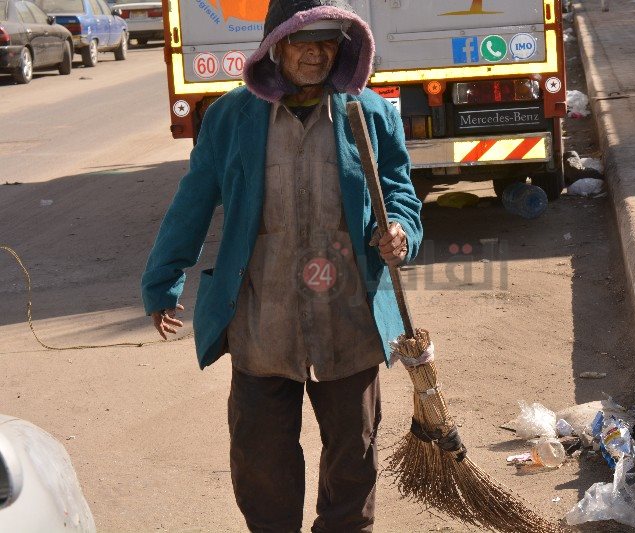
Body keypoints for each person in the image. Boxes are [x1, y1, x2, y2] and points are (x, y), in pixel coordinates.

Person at [140, 0, 423, 530]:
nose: (316, 53)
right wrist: (162, 282)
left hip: (348, 323)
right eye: (302, 41)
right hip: (262, 324)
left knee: (353, 458)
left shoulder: (370, 113)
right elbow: (192, 204)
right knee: (260, 463)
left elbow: (400, 190)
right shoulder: (230, 118)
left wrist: (402, 231)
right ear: (275, 46)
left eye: (328, 41)